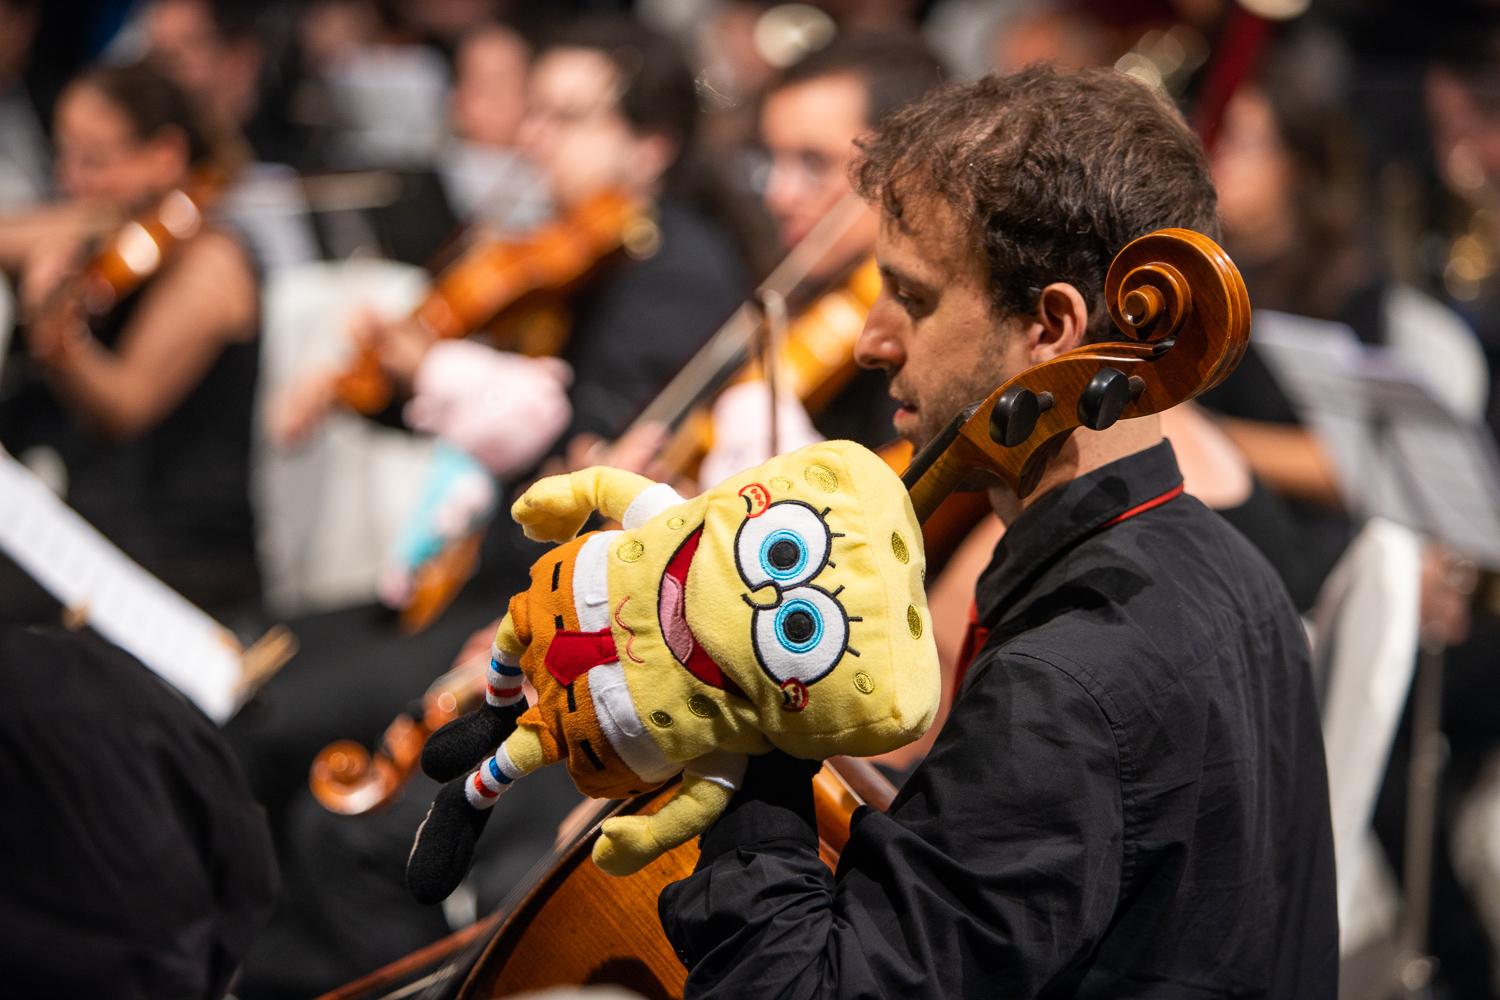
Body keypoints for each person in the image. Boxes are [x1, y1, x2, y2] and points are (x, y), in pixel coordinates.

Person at [658, 66, 1339, 997]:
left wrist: (757, 733)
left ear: (1050, 328)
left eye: (916, 297)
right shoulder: (1230, 565)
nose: (871, 340)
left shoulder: (1064, 690)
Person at [0, 61, 262, 625]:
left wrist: (56, 332)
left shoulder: (214, 265)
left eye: (93, 161)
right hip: (91, 530)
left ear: (164, 156)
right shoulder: (107, 234)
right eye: (62, 156)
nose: (70, 181)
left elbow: (121, 407)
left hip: (176, 566)